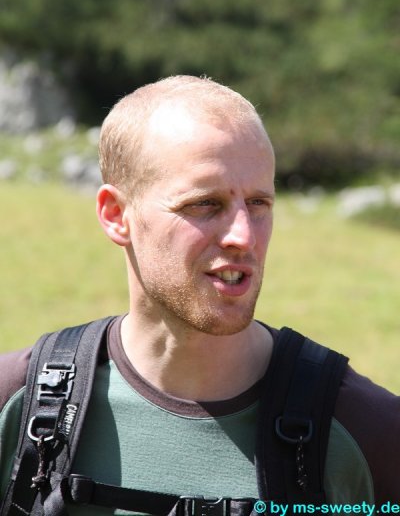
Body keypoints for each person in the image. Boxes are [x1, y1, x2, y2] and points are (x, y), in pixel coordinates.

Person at [0, 75, 399, 514]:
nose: (243, 236)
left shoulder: (372, 434)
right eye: (205, 204)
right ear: (116, 215)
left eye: (259, 203)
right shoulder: (16, 406)